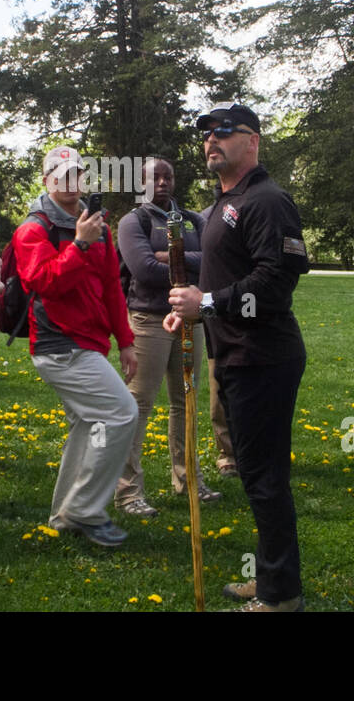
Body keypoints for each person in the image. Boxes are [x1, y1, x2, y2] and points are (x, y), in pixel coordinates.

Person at [166, 102, 310, 612]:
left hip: (263, 357)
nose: (212, 139)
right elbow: (225, 273)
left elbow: (277, 278)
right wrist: (192, 310)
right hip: (233, 354)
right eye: (206, 132)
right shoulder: (227, 201)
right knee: (255, 475)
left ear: (253, 141)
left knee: (264, 477)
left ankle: (279, 595)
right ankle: (274, 578)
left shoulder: (267, 200)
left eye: (225, 131)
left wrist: (205, 303)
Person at [13, 145, 138, 547]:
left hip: (91, 342)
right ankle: (85, 509)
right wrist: (80, 245)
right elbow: (43, 282)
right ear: (46, 180)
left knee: (89, 426)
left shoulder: (95, 224)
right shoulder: (33, 229)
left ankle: (65, 515)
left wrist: (127, 342)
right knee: (120, 413)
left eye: (77, 174)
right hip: (59, 346)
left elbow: (112, 289)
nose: (71, 182)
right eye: (61, 174)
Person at [115, 156, 222, 517]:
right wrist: (184, 261)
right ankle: (129, 492)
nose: (162, 183)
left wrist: (169, 255)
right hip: (148, 320)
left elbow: (214, 262)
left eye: (168, 177)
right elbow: (143, 270)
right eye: (153, 177)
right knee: (138, 404)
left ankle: (188, 480)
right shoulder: (134, 221)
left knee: (186, 402)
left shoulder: (194, 220)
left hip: (190, 320)